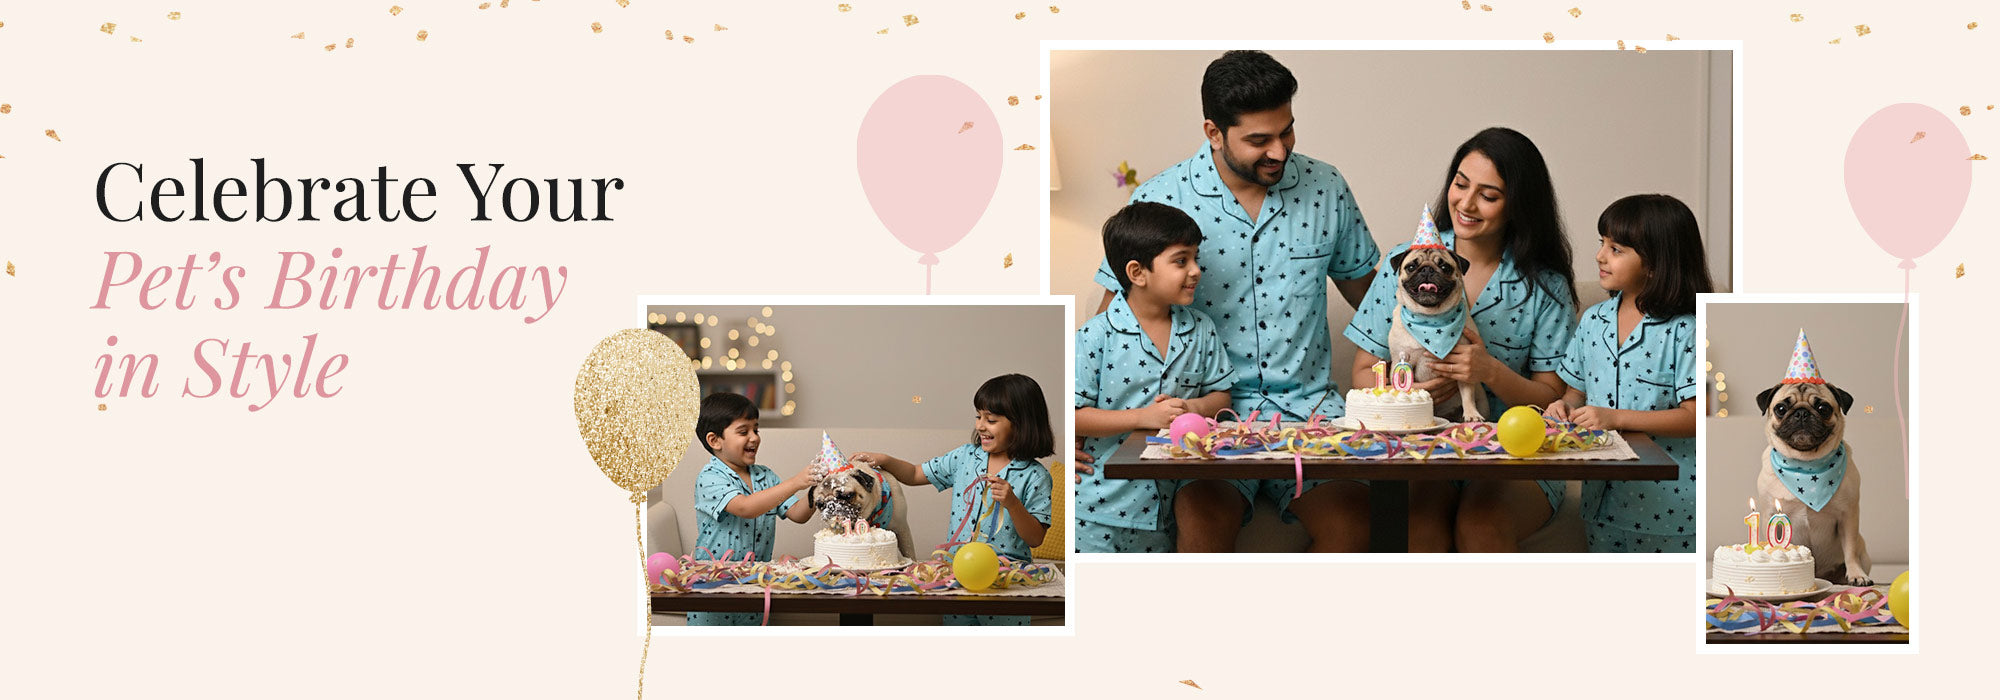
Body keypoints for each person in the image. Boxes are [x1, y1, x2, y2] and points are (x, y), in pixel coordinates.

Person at [1095, 50, 1379, 552]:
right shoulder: (1162, 198)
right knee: (1202, 529)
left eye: (1287, 131)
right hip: (1204, 418)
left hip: (1311, 411)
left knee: (1351, 529)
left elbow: (1372, 300)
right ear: (1214, 132)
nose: (1279, 150)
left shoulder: (1327, 187)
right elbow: (1112, 324)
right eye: (1258, 140)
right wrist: (1090, 423)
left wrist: (1430, 338)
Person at [1343, 127, 1578, 553]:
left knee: (1481, 525)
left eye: (1488, 195)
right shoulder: (1406, 264)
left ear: (1519, 204)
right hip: (1424, 446)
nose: (1466, 204)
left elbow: (1553, 398)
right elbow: (1360, 372)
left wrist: (1490, 371)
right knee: (1418, 527)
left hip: (1513, 450)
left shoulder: (1544, 287)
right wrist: (1408, 394)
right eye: (1460, 184)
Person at [1546, 194, 1710, 553]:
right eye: (1601, 243)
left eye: (1616, 248)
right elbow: (1577, 391)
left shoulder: (1690, 330)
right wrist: (1562, 407)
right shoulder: (1593, 320)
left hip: (1674, 508)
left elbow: (1699, 416)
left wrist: (1614, 417)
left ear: (1654, 263)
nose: (1600, 256)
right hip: (1602, 503)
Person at [1074, 202, 1235, 553]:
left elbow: (1222, 397)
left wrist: (1189, 408)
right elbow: (1071, 416)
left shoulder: (1200, 329)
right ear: (1137, 272)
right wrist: (1143, 417)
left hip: (1167, 509)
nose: (1196, 270)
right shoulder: (1095, 336)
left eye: (1195, 258)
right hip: (1099, 510)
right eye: (1181, 261)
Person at [856, 374, 1055, 625]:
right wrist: (885, 459)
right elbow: (917, 474)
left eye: (991, 420)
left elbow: (1035, 538)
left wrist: (1013, 504)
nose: (981, 426)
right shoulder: (965, 457)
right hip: (956, 575)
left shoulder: (1036, 476)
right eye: (978, 416)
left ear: (1022, 424)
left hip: (1005, 584)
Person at [687, 392, 816, 625]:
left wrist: (817, 491)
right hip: (714, 585)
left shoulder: (766, 476)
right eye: (743, 431)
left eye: (756, 430)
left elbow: (798, 514)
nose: (754, 438)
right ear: (715, 440)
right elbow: (746, 508)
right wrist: (796, 482)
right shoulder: (709, 478)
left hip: (755, 585)